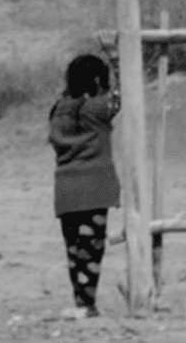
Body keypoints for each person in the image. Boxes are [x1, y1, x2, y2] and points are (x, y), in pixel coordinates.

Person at [48, 54, 121, 319]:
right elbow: (121, 94)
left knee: (74, 251)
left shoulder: (58, 110)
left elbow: (67, 99)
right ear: (98, 80)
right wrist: (116, 61)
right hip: (95, 187)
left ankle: (80, 302)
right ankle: (87, 305)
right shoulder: (99, 109)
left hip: (66, 188)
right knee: (91, 252)